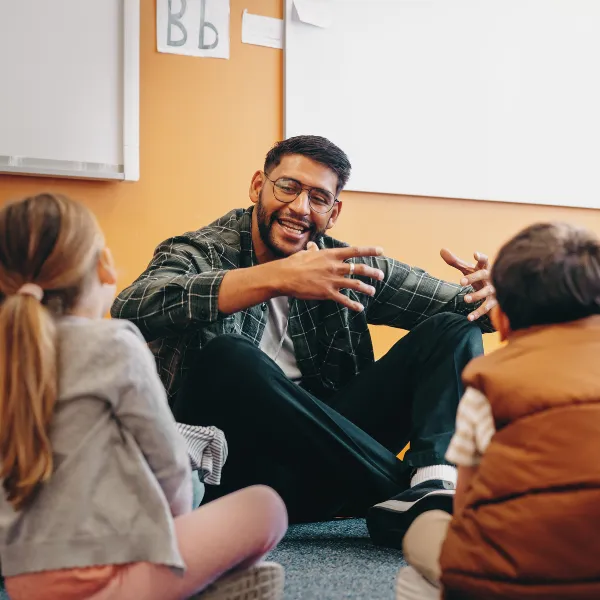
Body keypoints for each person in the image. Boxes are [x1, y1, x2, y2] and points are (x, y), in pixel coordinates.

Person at [112, 135, 496, 538]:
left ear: (334, 212)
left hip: (328, 467)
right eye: (288, 188)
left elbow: (466, 308)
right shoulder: (201, 250)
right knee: (228, 358)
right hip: (232, 475)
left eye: (318, 197)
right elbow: (133, 306)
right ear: (259, 186)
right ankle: (414, 494)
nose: (299, 207)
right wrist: (273, 278)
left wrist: (497, 292)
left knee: (454, 327)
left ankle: (435, 482)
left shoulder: (346, 265)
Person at [0, 193, 287, 600]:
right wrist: (175, 535)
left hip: (24, 581)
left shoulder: (8, 354)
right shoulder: (114, 342)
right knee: (265, 506)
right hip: (109, 578)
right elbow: (168, 459)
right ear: (105, 267)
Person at [396, 222, 600, 600]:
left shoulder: (488, 385)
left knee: (423, 530)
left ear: (501, 321)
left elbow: (468, 504)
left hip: (505, 580)